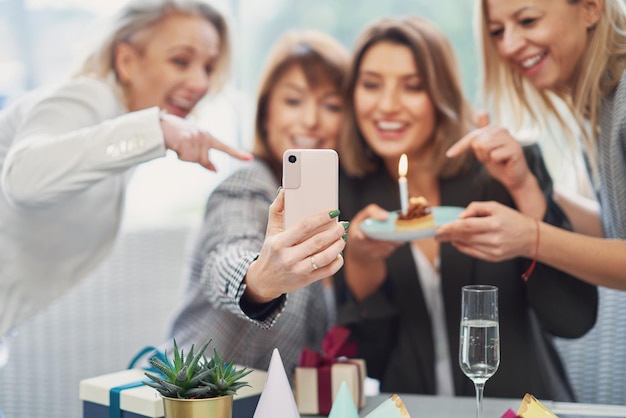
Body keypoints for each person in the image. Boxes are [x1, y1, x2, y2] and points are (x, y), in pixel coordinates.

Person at [334, 16, 597, 401]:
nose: (387, 105)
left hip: (520, 408)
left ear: (440, 94)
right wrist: (360, 266)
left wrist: (524, 189)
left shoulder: (501, 172)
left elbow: (572, 319)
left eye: (413, 86)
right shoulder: (350, 197)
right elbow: (368, 359)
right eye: (371, 85)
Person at [0, 0, 253, 347]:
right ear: (126, 61)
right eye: (180, 60)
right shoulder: (87, 97)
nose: (200, 82)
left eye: (208, 67)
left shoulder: (117, 135)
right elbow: (22, 177)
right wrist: (157, 129)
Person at [163, 30, 349, 379]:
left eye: (332, 105)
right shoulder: (249, 184)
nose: (311, 119)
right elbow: (226, 254)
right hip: (195, 400)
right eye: (293, 101)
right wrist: (261, 278)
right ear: (266, 114)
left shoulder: (335, 209)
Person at [436, 0, 626, 289]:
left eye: (528, 21)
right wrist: (524, 182)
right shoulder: (602, 105)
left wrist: (531, 238)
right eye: (497, 31)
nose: (508, 46)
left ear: (590, 7)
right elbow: (611, 232)